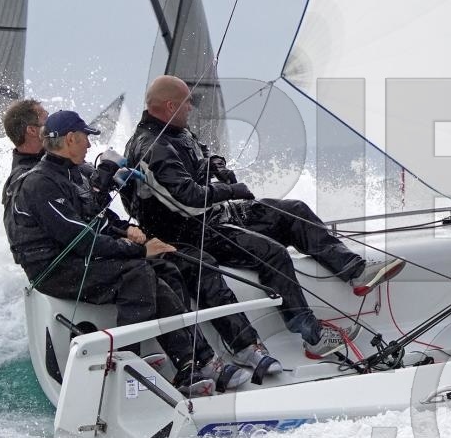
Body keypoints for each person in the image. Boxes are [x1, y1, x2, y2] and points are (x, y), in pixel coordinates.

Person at [122, 75, 401, 359]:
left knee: (294, 211)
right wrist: (231, 190)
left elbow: (200, 153)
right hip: (191, 233)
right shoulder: (151, 147)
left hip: (215, 215)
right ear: (170, 106)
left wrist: (216, 165)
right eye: (187, 103)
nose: (191, 107)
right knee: (273, 253)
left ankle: (354, 271)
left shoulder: (175, 130)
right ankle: (313, 337)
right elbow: (186, 199)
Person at [5, 109, 247, 393]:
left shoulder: (73, 173)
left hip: (78, 258)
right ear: (70, 139)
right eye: (85, 137)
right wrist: (139, 251)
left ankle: (192, 363)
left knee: (164, 268)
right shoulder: (39, 182)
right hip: (53, 269)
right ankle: (126, 361)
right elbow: (81, 239)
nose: (90, 144)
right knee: (137, 272)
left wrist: (129, 232)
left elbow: (96, 219)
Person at [0, 98, 47, 209]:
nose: (54, 125)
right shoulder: (27, 182)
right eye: (47, 120)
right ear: (32, 130)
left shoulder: (53, 161)